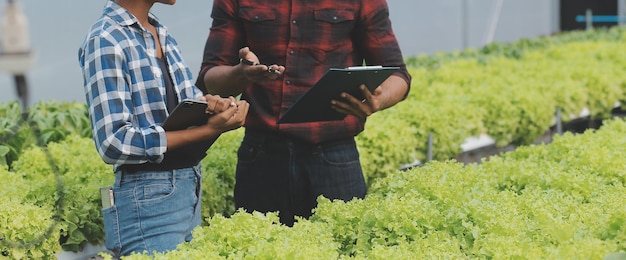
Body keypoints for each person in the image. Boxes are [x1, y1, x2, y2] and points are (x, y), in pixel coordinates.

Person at [196, 0, 412, 226]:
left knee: (340, 247)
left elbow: (398, 75)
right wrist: (242, 73)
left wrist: (378, 99)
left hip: (334, 157)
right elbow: (210, 78)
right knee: (259, 249)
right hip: (261, 156)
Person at [78, 0, 249, 256]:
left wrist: (215, 105)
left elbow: (187, 102)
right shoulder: (105, 39)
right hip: (147, 199)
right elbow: (113, 142)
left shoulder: (160, 31)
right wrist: (208, 130)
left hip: (188, 186)